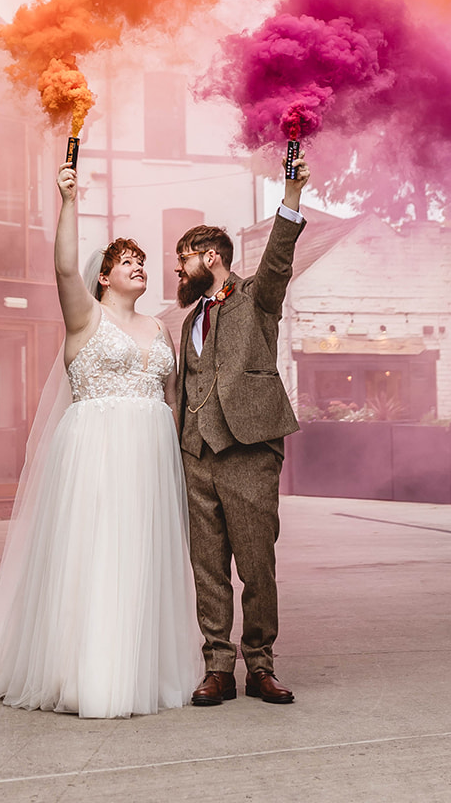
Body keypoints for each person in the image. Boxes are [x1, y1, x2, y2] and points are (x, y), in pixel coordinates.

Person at [0, 165, 201, 718]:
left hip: (151, 457)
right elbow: (63, 266)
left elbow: (173, 395)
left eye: (143, 262)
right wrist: (67, 201)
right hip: (97, 449)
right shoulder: (86, 316)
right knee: (96, 551)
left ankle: (139, 667)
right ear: (104, 277)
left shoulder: (160, 329)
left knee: (141, 555)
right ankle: (83, 670)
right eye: (127, 262)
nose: (139, 267)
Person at [175, 154, 310, 706]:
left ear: (212, 258)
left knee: (257, 565)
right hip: (196, 454)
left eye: (183, 261)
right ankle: (217, 668)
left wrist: (292, 194)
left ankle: (260, 665)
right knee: (208, 567)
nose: (178, 272)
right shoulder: (187, 320)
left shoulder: (258, 298)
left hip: (250, 450)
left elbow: (278, 258)